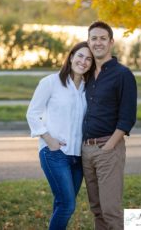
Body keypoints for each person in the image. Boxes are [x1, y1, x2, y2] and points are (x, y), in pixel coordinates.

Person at [26, 41, 94, 230]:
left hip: (78, 157)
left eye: (88, 59)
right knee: (67, 205)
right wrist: (49, 140)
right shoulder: (50, 82)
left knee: (61, 203)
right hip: (54, 153)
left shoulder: (89, 89)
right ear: (71, 57)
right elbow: (32, 113)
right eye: (80, 56)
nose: (83, 61)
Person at [82, 21, 137, 230]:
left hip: (108, 148)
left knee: (110, 211)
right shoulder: (86, 75)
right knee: (96, 209)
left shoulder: (123, 75)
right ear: (88, 42)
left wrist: (109, 147)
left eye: (102, 38)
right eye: (93, 38)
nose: (98, 42)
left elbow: (127, 118)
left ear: (111, 42)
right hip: (86, 150)